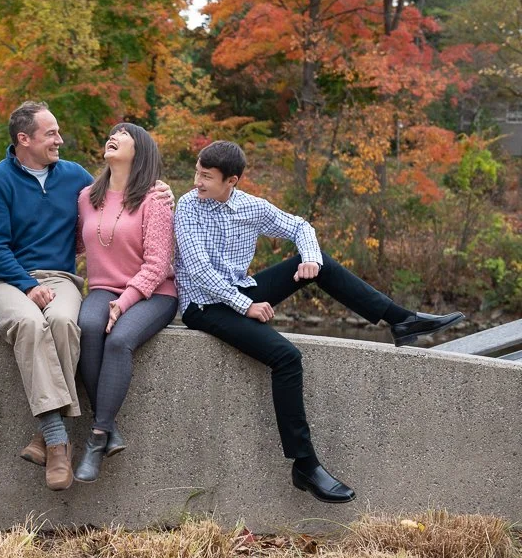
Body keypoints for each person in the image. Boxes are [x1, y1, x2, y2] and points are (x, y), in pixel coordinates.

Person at [174, 141, 464, 503]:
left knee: (317, 261)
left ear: (231, 181)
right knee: (286, 357)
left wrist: (309, 258)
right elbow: (199, 272)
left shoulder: (251, 207)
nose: (197, 181)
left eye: (206, 176)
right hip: (204, 305)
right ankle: (305, 464)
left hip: (241, 291)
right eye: (197, 172)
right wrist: (244, 305)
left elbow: (299, 226)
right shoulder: (188, 206)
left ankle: (400, 320)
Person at [0, 101, 173, 491]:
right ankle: (56, 438)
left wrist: (162, 189)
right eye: (51, 134)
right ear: (24, 139)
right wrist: (28, 285)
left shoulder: (76, 179)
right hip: (6, 281)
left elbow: (105, 215)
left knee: (68, 321)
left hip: (62, 278)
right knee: (31, 323)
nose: (59, 140)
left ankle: (50, 436)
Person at [74, 123, 178, 483]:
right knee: (87, 327)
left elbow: (159, 264)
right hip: (103, 288)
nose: (113, 135)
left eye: (124, 133)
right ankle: (110, 427)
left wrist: (126, 301)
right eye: (112, 131)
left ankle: (97, 436)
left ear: (141, 149)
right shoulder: (87, 196)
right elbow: (74, 245)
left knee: (118, 340)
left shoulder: (155, 199)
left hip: (154, 293)